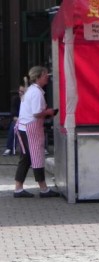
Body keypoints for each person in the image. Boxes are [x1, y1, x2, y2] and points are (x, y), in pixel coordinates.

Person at [13, 67, 60, 198]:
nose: (47, 77)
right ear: (38, 77)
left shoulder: (31, 90)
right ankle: (43, 189)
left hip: (24, 127)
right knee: (37, 156)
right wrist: (49, 112)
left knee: (26, 158)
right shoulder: (37, 93)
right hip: (30, 128)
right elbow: (36, 113)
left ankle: (18, 188)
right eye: (45, 74)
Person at [3, 85, 25, 156]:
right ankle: (9, 148)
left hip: (27, 120)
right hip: (18, 119)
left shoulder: (29, 100)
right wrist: (18, 119)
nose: (20, 93)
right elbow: (13, 114)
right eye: (20, 91)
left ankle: (41, 148)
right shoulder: (15, 99)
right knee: (13, 126)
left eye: (23, 91)